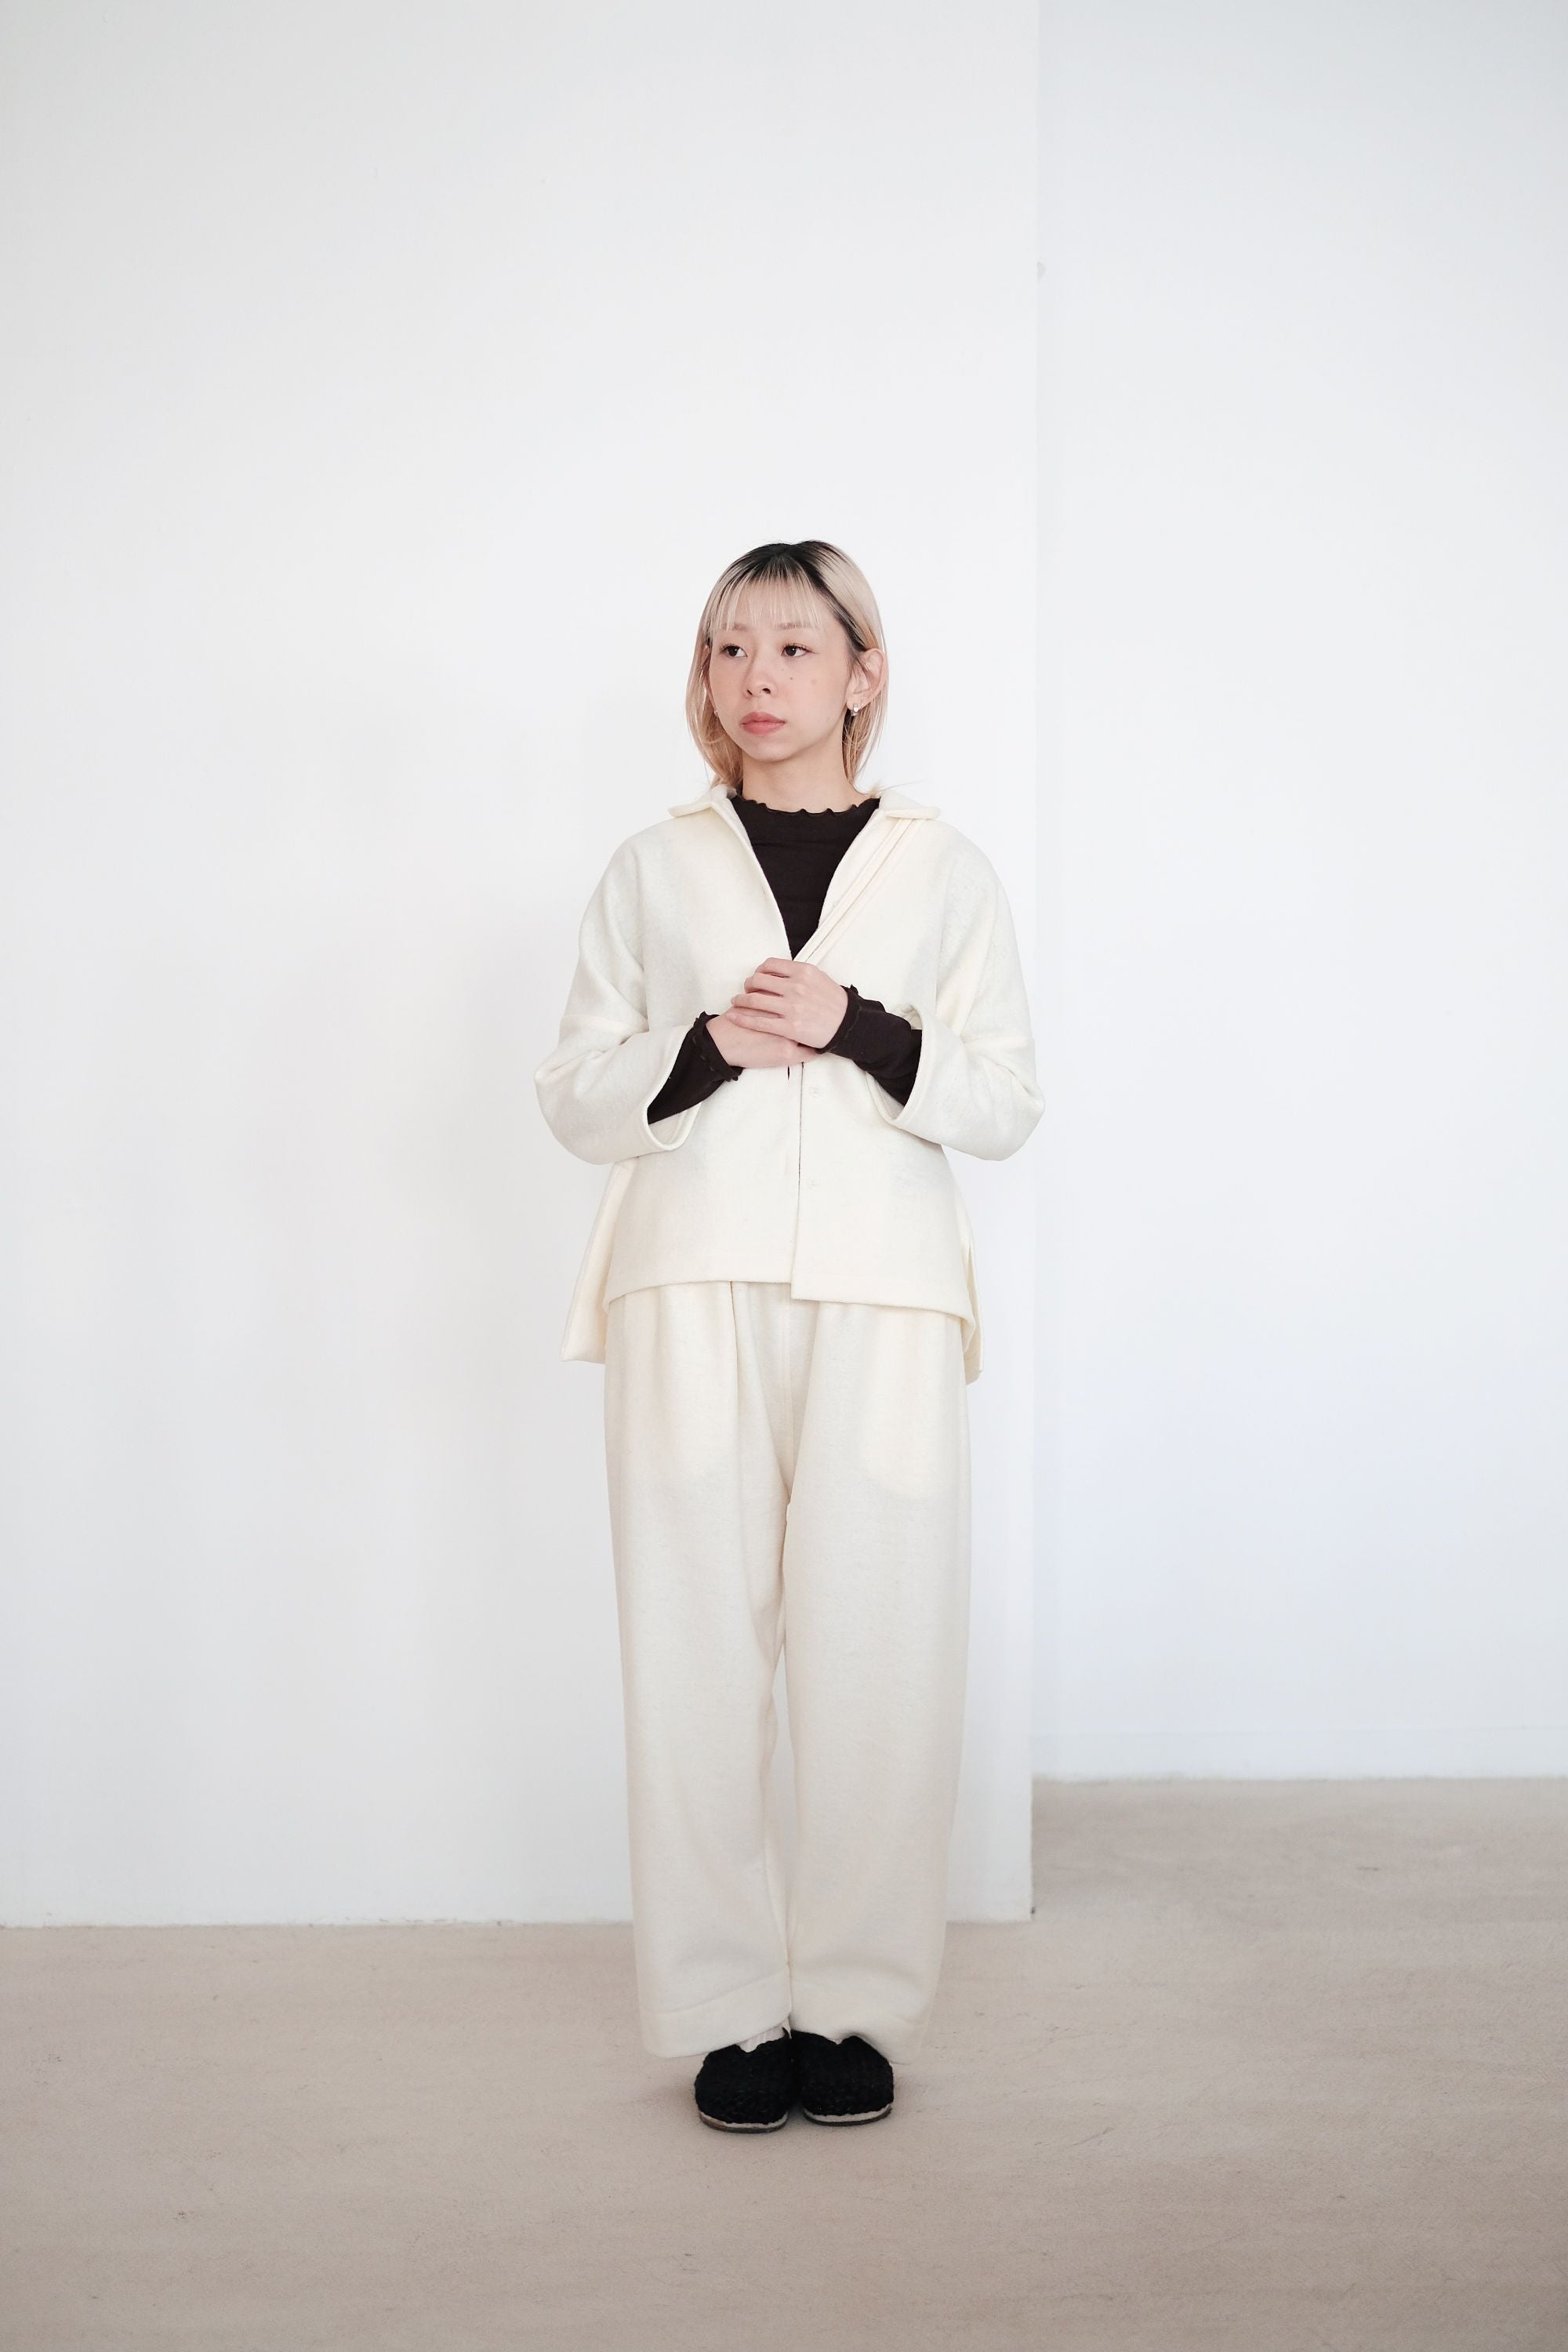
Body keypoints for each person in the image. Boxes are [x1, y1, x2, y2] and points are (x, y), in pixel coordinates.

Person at [535, 539, 1043, 2131]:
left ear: (862, 672)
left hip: (888, 1291)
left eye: (794, 647)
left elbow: (1005, 1101)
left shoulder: (947, 873)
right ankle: (724, 2011)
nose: (757, 679)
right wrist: (704, 1045)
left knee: (880, 1647)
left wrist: (857, 1026)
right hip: (688, 1278)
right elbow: (574, 1095)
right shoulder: (651, 868)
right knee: (691, 1648)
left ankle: (853, 2007)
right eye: (729, 649)